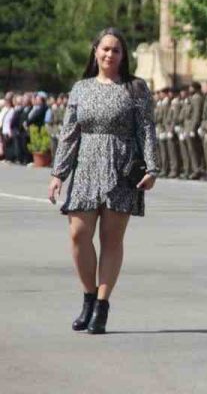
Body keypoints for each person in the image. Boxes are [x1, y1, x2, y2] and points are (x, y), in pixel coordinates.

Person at [47, 28, 159, 335]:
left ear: (123, 57)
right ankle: (88, 295)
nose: (110, 55)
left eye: (117, 51)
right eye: (106, 49)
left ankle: (102, 305)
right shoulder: (81, 88)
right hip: (85, 167)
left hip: (122, 169)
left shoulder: (135, 88)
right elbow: (69, 134)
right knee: (78, 235)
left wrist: (152, 168)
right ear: (96, 51)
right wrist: (58, 174)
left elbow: (146, 130)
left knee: (112, 240)